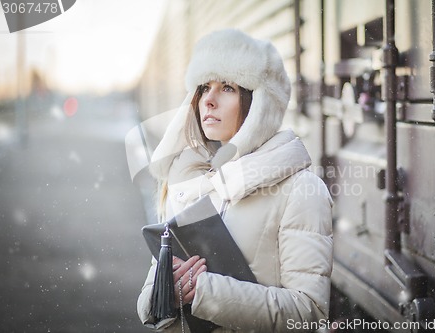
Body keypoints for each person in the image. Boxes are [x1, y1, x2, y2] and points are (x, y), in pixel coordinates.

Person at [137, 29, 333, 332]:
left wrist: (202, 292)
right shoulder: (189, 181)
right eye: (204, 87)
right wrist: (166, 295)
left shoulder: (300, 190)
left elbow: (307, 314)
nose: (209, 101)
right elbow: (151, 297)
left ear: (258, 104)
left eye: (227, 87)